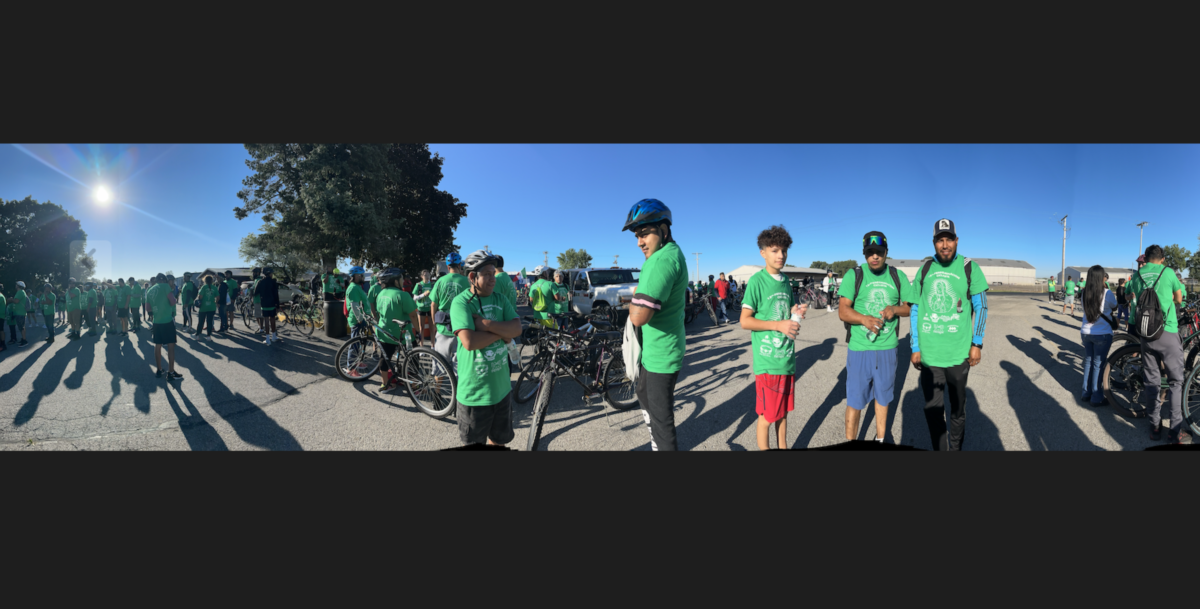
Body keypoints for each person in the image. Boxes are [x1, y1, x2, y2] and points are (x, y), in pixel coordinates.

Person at [909, 218, 988, 451]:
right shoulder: (925, 268)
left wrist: (977, 343)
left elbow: (982, 306)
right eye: (940, 240)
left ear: (957, 241)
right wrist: (915, 347)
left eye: (949, 239)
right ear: (934, 242)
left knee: (957, 409)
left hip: (958, 355)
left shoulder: (969, 267)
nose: (945, 245)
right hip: (930, 356)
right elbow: (915, 309)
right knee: (933, 411)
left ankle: (955, 449)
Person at [838, 231, 914, 443]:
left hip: (888, 349)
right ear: (864, 254)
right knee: (855, 401)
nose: (874, 256)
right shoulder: (854, 275)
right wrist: (863, 319)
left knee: (883, 397)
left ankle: (880, 439)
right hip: (860, 349)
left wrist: (894, 310)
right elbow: (843, 310)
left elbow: (909, 308)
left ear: (886, 252)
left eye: (879, 252)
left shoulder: (897, 276)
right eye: (870, 252)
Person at [626, 198, 688, 451]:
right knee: (644, 396)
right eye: (636, 236)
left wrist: (633, 300)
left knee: (662, 424)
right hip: (659, 350)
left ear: (663, 230)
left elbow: (638, 317)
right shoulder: (673, 253)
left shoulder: (660, 260)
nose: (639, 242)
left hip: (662, 355)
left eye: (644, 234)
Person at [740, 225, 807, 450]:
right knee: (767, 417)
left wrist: (796, 312)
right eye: (775, 250)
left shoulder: (786, 281)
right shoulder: (756, 281)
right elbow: (745, 320)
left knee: (783, 413)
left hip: (787, 359)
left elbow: (787, 311)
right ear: (763, 253)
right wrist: (778, 325)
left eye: (784, 251)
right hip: (768, 362)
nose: (781, 255)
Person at [451, 250, 521, 446]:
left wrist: (486, 324)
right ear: (472, 277)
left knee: (498, 442)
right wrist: (502, 332)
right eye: (487, 274)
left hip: (502, 390)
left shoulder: (500, 299)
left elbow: (517, 328)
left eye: (493, 274)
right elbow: (470, 342)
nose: (493, 279)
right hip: (475, 395)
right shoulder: (461, 303)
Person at [1126, 245, 1189, 444]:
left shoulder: (1137, 276)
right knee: (1176, 382)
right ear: (1162, 259)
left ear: (1146, 258)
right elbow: (1179, 298)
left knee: (1151, 381)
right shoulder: (1168, 272)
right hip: (1167, 332)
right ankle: (1174, 432)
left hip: (1146, 334)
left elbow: (1132, 297)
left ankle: (1154, 427)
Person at [372, 268, 422, 390]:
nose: (403, 280)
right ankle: (414, 385)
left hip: (384, 332)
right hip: (403, 334)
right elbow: (413, 315)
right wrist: (418, 330)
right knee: (413, 358)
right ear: (395, 281)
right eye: (401, 278)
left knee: (384, 358)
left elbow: (378, 312)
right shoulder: (402, 294)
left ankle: (385, 384)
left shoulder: (380, 294)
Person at [1078, 265, 1119, 406]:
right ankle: (1096, 397)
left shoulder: (1084, 293)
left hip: (1086, 332)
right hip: (1102, 333)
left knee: (1088, 362)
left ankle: (1086, 392)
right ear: (1101, 277)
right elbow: (1114, 306)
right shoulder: (1107, 293)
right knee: (1098, 365)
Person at [429, 252, 471, 364]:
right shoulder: (466, 281)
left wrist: (434, 323)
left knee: (440, 365)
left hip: (443, 327)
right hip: (461, 328)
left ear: (448, 267)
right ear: (460, 266)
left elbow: (433, 305)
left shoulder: (440, 281)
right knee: (460, 366)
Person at [146, 274, 184, 380]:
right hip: (167, 321)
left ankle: (159, 369)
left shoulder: (150, 290)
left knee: (157, 346)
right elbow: (173, 302)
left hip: (156, 322)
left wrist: (157, 309)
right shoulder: (166, 286)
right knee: (171, 347)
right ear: (164, 280)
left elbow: (148, 309)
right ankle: (171, 372)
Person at [255, 268, 281, 345]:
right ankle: (274, 336)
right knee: (272, 319)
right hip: (272, 303)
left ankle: (267, 338)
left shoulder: (260, 282)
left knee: (266, 319)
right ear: (269, 273)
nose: (272, 274)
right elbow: (276, 294)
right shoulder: (273, 282)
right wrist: (277, 305)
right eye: (271, 273)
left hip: (264, 303)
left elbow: (256, 292)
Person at [411, 270, 435, 341]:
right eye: (425, 275)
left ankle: (433, 345)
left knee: (432, 328)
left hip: (431, 308)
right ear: (421, 276)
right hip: (421, 308)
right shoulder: (419, 285)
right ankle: (421, 345)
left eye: (428, 275)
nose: (427, 277)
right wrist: (423, 295)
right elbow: (414, 298)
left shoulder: (433, 284)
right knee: (421, 328)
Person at [194, 275, 219, 339]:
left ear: (205, 280)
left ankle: (197, 334)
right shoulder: (214, 287)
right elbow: (218, 297)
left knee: (201, 321)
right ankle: (208, 336)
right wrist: (215, 302)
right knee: (209, 322)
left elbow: (200, 296)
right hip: (212, 307)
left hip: (203, 307)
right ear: (212, 281)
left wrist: (199, 299)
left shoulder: (204, 287)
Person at [10, 281, 29, 347]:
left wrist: (11, 299)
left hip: (20, 313)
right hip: (20, 312)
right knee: (21, 327)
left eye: (16, 284)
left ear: (18, 286)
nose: (16, 285)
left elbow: (16, 301)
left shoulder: (20, 292)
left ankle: (24, 340)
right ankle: (23, 339)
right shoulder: (22, 292)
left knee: (21, 327)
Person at [250, 267, 265, 334]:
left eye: (254, 273)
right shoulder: (256, 280)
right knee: (257, 315)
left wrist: (253, 294)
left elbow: (257, 291)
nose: (253, 274)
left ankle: (261, 329)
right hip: (256, 300)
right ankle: (260, 327)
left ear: (258, 273)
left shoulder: (259, 280)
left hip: (259, 300)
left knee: (260, 315)